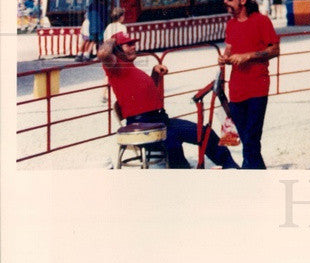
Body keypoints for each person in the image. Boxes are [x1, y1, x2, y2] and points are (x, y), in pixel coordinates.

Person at [98, 31, 238, 169]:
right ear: (117, 49)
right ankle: (182, 175)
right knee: (172, 143)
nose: (133, 47)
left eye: (133, 43)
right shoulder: (114, 67)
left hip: (160, 120)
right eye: (128, 44)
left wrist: (154, 73)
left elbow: (144, 95)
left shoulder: (130, 67)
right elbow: (103, 54)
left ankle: (231, 167)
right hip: (144, 125)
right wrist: (112, 40)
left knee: (204, 133)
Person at [218, 0, 280, 169]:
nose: (225, 2)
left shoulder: (261, 21)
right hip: (236, 88)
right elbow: (229, 47)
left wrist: (248, 56)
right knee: (246, 138)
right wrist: (224, 58)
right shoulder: (231, 24)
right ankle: (258, 174)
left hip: (257, 87)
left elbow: (275, 50)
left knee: (252, 137)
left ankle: (249, 177)